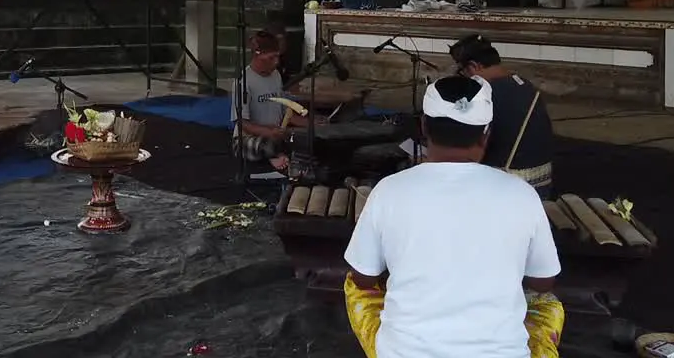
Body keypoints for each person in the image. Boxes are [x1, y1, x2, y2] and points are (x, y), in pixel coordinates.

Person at [343, 75, 565, 358]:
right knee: (548, 305)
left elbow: (363, 277)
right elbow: (542, 282)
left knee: (354, 284)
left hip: (403, 353)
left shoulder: (389, 190)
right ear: (487, 132)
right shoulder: (522, 194)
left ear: (424, 126)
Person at [449, 34, 555, 198]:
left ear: (473, 66)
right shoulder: (527, 86)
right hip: (542, 183)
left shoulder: (485, 95)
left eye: (463, 72)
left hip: (509, 186)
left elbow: (467, 149)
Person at [232, 30, 308, 172]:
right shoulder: (243, 81)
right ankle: (273, 154)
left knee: (302, 140)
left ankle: (276, 152)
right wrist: (267, 132)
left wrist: (308, 123)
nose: (276, 62)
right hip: (250, 138)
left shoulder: (276, 75)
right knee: (265, 146)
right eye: (271, 58)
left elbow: (284, 109)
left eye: (277, 57)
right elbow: (241, 122)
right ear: (257, 54)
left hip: (276, 133)